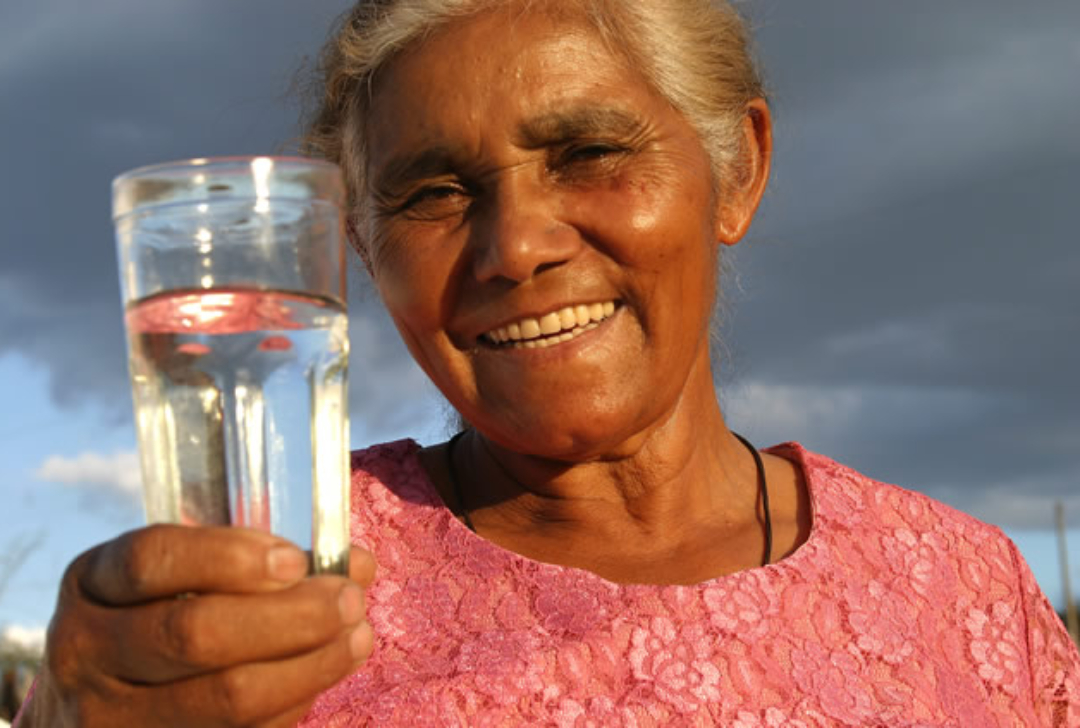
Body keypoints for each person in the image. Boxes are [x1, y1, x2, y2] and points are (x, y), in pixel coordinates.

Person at [15, 0, 1080, 725]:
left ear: (737, 167)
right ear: (359, 253)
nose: (515, 244)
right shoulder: (269, 602)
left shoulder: (964, 586)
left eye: (587, 152)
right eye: (431, 192)